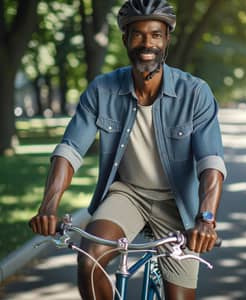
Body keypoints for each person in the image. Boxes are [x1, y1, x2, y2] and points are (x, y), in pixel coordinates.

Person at [29, 0, 227, 299]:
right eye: (138, 34)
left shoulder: (195, 93)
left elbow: (210, 162)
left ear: (167, 39)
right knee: (90, 258)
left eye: (156, 34)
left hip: (177, 203)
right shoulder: (102, 89)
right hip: (128, 194)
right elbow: (70, 149)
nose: (147, 43)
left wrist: (206, 219)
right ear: (125, 39)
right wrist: (49, 205)